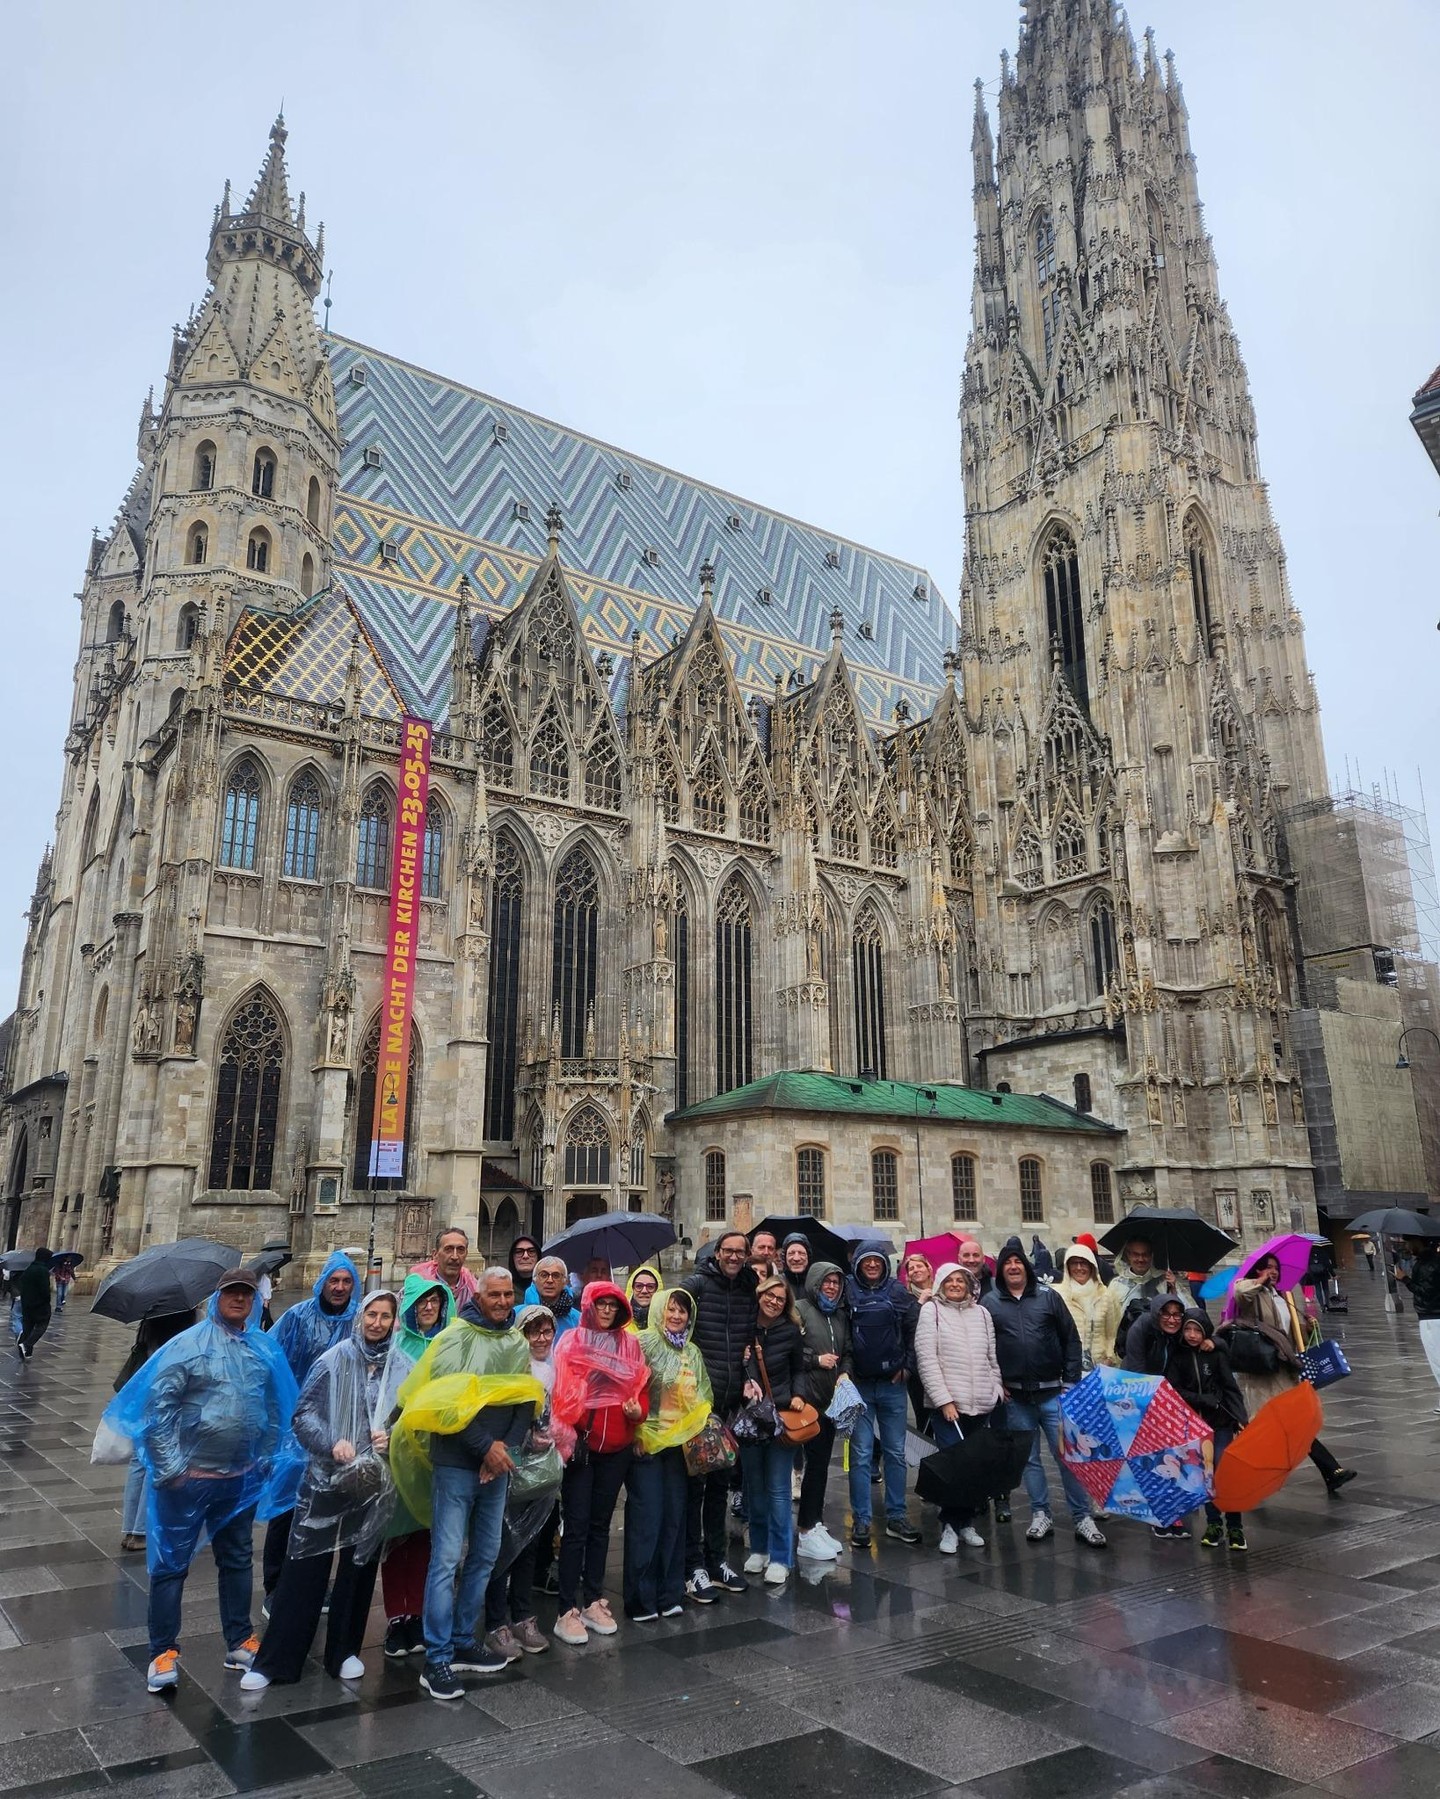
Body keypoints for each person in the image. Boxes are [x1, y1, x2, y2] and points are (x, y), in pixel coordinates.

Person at [104, 1268, 298, 1694]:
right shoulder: (187, 1347)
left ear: (255, 1300)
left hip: (240, 1478)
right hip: (189, 1478)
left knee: (237, 1559)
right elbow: (160, 1412)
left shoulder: (261, 1349)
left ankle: (238, 1640)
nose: (239, 1299)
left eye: (246, 1294)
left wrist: (265, 1458)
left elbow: (272, 1409)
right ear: (217, 1297)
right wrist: (172, 1469)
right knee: (171, 1566)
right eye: (232, 1292)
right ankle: (162, 1651)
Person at [391, 1266, 544, 1698]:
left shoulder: (515, 1340)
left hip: (496, 1464)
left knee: (485, 1555)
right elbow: (447, 1404)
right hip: (458, 1462)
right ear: (478, 1296)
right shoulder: (456, 1337)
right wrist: (486, 1449)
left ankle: (462, 1640)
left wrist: (506, 1450)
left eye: (507, 1295)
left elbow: (523, 1399)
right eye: (493, 1295)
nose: (501, 1302)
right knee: (444, 1560)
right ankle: (436, 1658)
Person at [242, 1291, 400, 1689]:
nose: (377, 1323)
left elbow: (411, 1422)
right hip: (326, 1478)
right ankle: (275, 1660)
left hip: (372, 1482)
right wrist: (332, 1443)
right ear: (360, 1318)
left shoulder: (403, 1368)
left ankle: (344, 1650)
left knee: (359, 1567)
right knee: (304, 1563)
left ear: (395, 1322)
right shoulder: (334, 1360)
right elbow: (303, 1414)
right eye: (371, 1315)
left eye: (385, 1316)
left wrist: (393, 1437)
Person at [983, 1240, 1106, 1549]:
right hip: (1016, 1396)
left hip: (1053, 1392)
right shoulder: (991, 1302)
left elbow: (1071, 1340)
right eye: (1007, 1263)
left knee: (1068, 1456)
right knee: (1030, 1460)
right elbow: (984, 1349)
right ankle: (1041, 1513)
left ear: (1026, 1267)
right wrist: (998, 1383)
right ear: (1001, 1270)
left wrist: (1070, 1382)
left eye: (1018, 1262)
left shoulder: (1048, 1298)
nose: (1013, 1267)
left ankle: (1082, 1516)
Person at [550, 1282, 649, 1644]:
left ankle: (592, 1599)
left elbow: (641, 1390)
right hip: (584, 1446)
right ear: (589, 1306)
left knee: (600, 1525)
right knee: (575, 1527)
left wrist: (638, 1414)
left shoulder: (630, 1344)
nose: (607, 1311)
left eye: (612, 1305)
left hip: (617, 1446)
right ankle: (565, 1610)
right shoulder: (573, 1341)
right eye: (600, 1304)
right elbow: (560, 1394)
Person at [1219, 1252, 1356, 1495]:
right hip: (1263, 1372)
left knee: (1291, 1425)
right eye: (1267, 1268)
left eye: (1276, 1268)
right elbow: (1239, 1291)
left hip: (1283, 1368)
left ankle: (1330, 1471)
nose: (1274, 1272)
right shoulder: (1254, 1294)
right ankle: (1328, 1470)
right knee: (1278, 1427)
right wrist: (1260, 1281)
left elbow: (1289, 1334)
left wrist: (1305, 1326)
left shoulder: (1283, 1295)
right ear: (1256, 1271)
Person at [376, 1274, 453, 1659]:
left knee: (426, 1537)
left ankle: (419, 1614)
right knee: (395, 1539)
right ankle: (396, 1617)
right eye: (422, 1302)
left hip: (434, 1454)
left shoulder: (448, 1344)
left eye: (435, 1302)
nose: (428, 1308)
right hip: (396, 1453)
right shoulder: (395, 1344)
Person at [625, 1287, 711, 1620]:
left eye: (683, 1311)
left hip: (680, 1447)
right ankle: (640, 1599)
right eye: (671, 1310)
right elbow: (630, 1389)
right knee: (647, 1520)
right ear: (659, 1310)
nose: (676, 1316)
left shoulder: (692, 1351)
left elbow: (704, 1394)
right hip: (646, 1444)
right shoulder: (643, 1344)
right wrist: (636, 1430)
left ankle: (670, 1592)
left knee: (675, 1519)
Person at [681, 1230, 758, 1601]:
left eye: (739, 1252)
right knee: (695, 1488)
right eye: (727, 1251)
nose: (733, 1257)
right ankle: (692, 1565)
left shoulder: (747, 1288)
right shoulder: (698, 1284)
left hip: (729, 1405)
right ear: (717, 1253)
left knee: (720, 1488)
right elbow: (672, 1319)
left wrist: (750, 1378)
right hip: (699, 1405)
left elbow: (752, 1341)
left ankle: (717, 1561)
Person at [482, 1304, 562, 1659]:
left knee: (530, 1542)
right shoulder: (512, 1365)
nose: (541, 1339)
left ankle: (523, 1615)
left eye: (547, 1332)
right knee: (502, 1543)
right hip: (511, 1463)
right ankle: (495, 1621)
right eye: (534, 1332)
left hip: (544, 1468)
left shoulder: (557, 1367)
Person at [915, 1263, 1005, 1552]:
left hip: (981, 1403)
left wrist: (996, 1389)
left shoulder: (982, 1313)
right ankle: (949, 1527)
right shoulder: (932, 1311)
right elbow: (926, 1358)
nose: (955, 1285)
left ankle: (966, 1524)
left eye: (961, 1281)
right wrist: (944, 1400)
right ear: (941, 1284)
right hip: (950, 1406)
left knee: (973, 1468)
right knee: (953, 1467)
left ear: (969, 1285)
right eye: (950, 1280)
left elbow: (992, 1357)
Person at [846, 1249, 921, 1549]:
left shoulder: (898, 1291)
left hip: (892, 1384)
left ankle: (896, 1515)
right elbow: (843, 1334)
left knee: (895, 1452)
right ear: (859, 1264)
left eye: (876, 1260)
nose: (873, 1264)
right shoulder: (848, 1290)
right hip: (861, 1385)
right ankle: (861, 1518)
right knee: (861, 1455)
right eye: (867, 1260)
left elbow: (914, 1329)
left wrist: (908, 1367)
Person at [1163, 1308, 1249, 1550]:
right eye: (1187, 1329)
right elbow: (1175, 1389)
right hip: (1193, 1426)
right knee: (1205, 1474)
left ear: (1205, 1332)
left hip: (1220, 1422)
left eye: (1197, 1330)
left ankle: (1235, 1526)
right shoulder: (1177, 1356)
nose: (1191, 1335)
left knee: (1224, 1470)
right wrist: (1202, 1399)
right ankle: (1213, 1523)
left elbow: (1230, 1386)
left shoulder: (1215, 1353)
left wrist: (1239, 1416)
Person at [738, 1276, 806, 1585]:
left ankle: (781, 1556)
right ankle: (760, 1548)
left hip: (779, 1414)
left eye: (781, 1298)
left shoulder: (790, 1331)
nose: (775, 1301)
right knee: (754, 1486)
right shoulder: (743, 1326)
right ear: (760, 1294)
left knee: (779, 1489)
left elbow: (798, 1369)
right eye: (770, 1295)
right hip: (751, 1417)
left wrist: (798, 1395)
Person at [114, 1309, 197, 1553]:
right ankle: (140, 1532)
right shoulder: (186, 1319)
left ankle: (129, 1528)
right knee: (155, 1461)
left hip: (144, 1394)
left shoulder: (149, 1317)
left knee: (139, 1462)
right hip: (166, 1398)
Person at [792, 1260, 850, 1560]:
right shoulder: (800, 1309)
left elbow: (847, 1352)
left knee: (820, 1466)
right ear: (815, 1283)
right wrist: (817, 1361)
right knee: (809, 1466)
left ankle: (814, 1523)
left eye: (836, 1282)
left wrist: (844, 1372)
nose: (831, 1286)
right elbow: (789, 1350)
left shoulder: (838, 1315)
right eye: (827, 1281)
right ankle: (804, 1530)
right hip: (806, 1401)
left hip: (830, 1404)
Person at [1055, 1243, 1124, 1373]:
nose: (1079, 1268)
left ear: (1092, 1266)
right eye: (1074, 1263)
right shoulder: (1058, 1295)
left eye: (1083, 1263)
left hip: (1100, 1368)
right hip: (1067, 1370)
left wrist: (1109, 1358)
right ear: (1067, 1267)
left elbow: (1113, 1333)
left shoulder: (1106, 1295)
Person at [1396, 1236, 1440, 1411]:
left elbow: (1425, 1292)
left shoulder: (1425, 1265)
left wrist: (1405, 1279)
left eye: (1408, 1242)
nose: (1406, 1246)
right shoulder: (1433, 1261)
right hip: (1434, 1316)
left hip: (1431, 1318)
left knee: (1437, 1360)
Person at [411, 1227, 479, 1312]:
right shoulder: (415, 1288)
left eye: (460, 1250)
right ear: (435, 1255)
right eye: (448, 1250)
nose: (455, 1256)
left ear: (466, 1254)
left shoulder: (475, 1289)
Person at [524, 1255, 580, 1337]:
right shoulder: (519, 1315)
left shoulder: (578, 1319)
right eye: (543, 1275)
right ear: (534, 1280)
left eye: (556, 1276)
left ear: (565, 1282)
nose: (550, 1280)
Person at [14, 1246, 53, 1360]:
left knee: (28, 1326)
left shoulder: (29, 1268)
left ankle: (27, 1352)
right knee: (42, 1325)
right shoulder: (43, 1270)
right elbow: (45, 1290)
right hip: (40, 1304)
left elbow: (22, 1283)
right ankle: (27, 1345)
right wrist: (47, 1299)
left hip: (27, 1304)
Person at [956, 1236, 993, 1300]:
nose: (971, 1260)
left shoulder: (996, 1287)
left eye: (976, 1255)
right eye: (966, 1255)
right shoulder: (951, 1288)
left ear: (983, 1259)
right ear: (959, 1259)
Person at [626, 1265, 660, 1330]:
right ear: (632, 1289)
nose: (644, 1291)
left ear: (657, 1290)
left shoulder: (668, 1321)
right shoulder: (619, 1322)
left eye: (650, 1287)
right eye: (639, 1286)